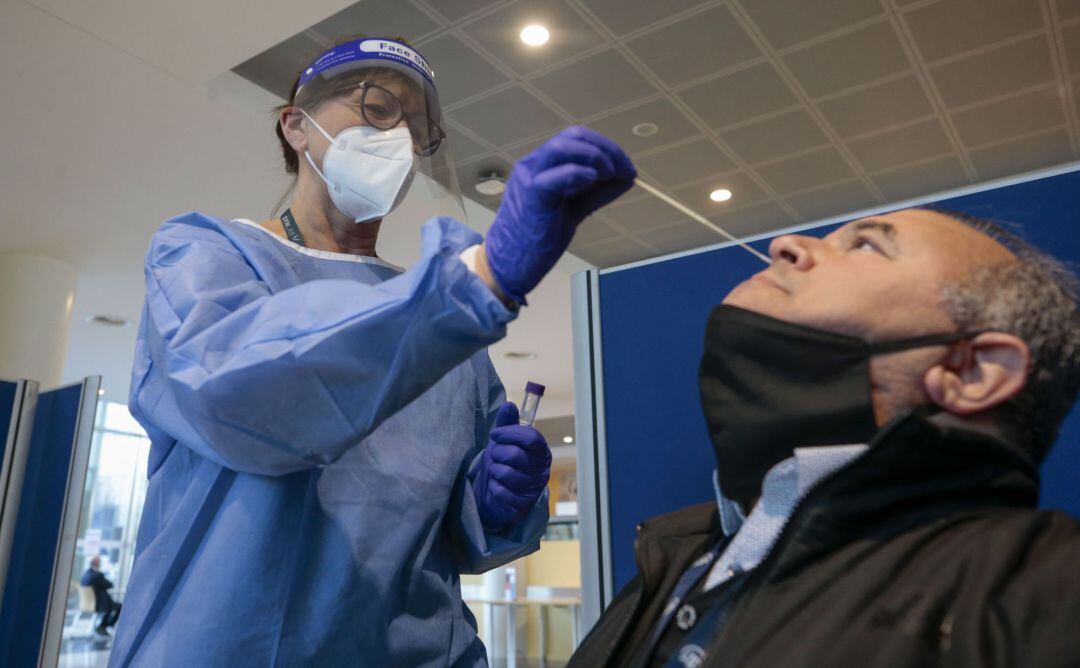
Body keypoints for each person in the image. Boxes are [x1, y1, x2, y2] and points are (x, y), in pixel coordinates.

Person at [109, 36, 636, 667]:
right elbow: (246, 395)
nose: (401, 141)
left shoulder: (442, 324)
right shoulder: (205, 256)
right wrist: (477, 281)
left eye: (418, 129)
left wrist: (495, 500)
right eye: (380, 108)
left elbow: (450, 528)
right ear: (296, 127)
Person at [568, 207, 1080, 667]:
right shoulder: (676, 554)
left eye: (865, 245)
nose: (786, 244)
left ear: (972, 372)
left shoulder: (1048, 591)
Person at [80, 556, 121, 637]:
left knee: (112, 606)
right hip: (100, 605)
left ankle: (103, 626)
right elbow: (110, 584)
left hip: (89, 603)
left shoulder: (86, 575)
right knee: (119, 607)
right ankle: (104, 626)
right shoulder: (97, 575)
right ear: (97, 564)